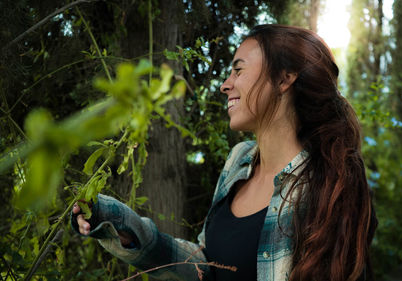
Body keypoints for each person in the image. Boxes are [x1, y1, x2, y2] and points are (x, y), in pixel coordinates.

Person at [72, 24, 378, 281]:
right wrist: (122, 224)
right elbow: (205, 266)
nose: (225, 85)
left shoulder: (327, 182)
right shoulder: (239, 160)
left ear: (284, 79)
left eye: (238, 70)